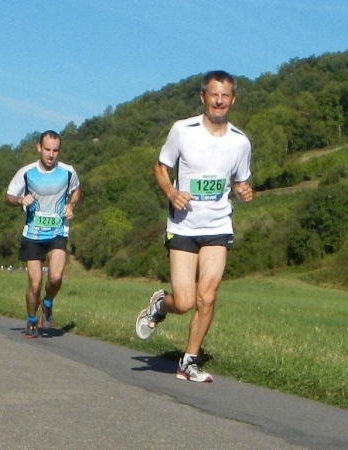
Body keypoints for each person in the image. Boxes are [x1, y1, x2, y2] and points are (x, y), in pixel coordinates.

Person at [135, 70, 253, 382]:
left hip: (218, 225)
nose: (219, 101)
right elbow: (160, 167)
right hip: (184, 226)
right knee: (185, 301)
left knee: (208, 296)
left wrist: (244, 191)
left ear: (232, 100)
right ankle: (160, 306)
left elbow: (240, 181)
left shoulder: (240, 142)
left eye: (225, 96)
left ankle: (189, 361)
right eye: (214, 95)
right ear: (203, 97)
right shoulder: (182, 130)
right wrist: (171, 192)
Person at [4, 130, 81, 338]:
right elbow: (8, 197)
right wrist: (20, 200)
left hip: (57, 231)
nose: (51, 155)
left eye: (55, 150)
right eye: (47, 149)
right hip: (33, 234)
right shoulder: (26, 172)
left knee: (55, 277)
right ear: (39, 148)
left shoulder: (68, 172)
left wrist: (71, 205)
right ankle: (31, 320)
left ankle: (47, 302)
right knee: (35, 283)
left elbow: (76, 190)